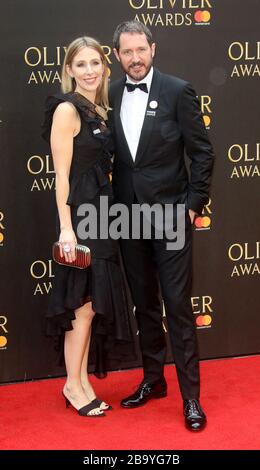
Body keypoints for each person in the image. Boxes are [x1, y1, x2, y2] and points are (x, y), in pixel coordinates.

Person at [109, 21, 214, 431]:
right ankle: (153, 380)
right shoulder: (112, 93)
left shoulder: (177, 90)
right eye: (126, 52)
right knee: (145, 305)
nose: (134, 58)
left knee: (178, 307)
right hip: (127, 216)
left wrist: (192, 206)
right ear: (116, 55)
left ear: (152, 49)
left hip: (171, 215)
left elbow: (202, 152)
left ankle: (192, 398)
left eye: (141, 50)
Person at [42, 36, 133, 417]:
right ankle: (72, 384)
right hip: (81, 216)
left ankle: (79, 380)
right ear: (69, 70)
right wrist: (66, 227)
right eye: (81, 64)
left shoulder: (98, 108)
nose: (90, 70)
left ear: (104, 67)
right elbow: (61, 176)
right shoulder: (67, 110)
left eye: (95, 63)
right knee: (80, 307)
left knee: (93, 306)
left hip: (104, 214)